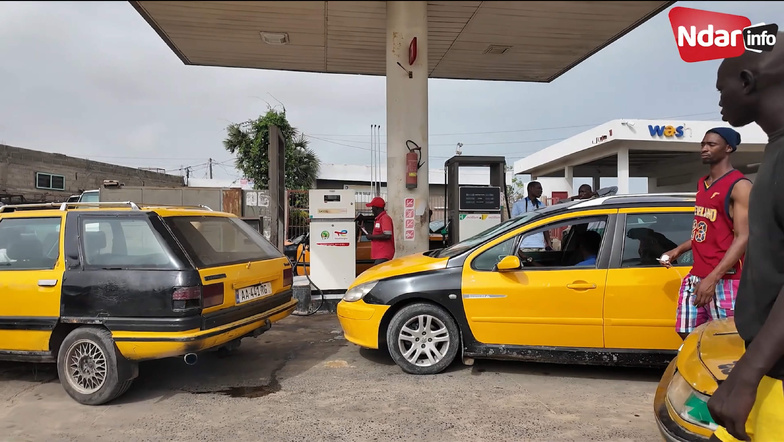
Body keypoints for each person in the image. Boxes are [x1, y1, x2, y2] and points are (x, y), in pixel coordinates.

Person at [703, 35, 784, 442]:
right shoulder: (775, 150)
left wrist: (748, 375)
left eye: (722, 88)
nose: (719, 101)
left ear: (748, 81)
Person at [660, 127, 751, 340]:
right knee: (687, 333)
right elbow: (707, 230)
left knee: (724, 341)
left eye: (711, 144)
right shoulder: (702, 183)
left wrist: (713, 278)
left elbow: (744, 236)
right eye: (702, 144)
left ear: (728, 148)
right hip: (697, 275)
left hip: (725, 278)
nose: (704, 149)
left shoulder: (740, 186)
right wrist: (678, 249)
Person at [511, 181, 552, 250]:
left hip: (539, 245)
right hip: (524, 245)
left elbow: (545, 227)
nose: (541, 191)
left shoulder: (542, 206)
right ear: (531, 188)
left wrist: (549, 244)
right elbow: (514, 226)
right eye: (539, 188)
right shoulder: (518, 205)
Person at [363, 196, 395, 264]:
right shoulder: (379, 219)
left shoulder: (385, 219)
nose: (371, 209)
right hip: (380, 255)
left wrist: (372, 237)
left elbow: (387, 235)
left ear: (377, 208)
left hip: (384, 255)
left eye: (372, 207)